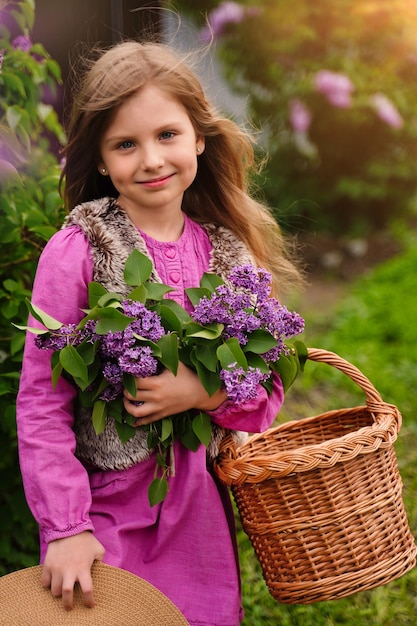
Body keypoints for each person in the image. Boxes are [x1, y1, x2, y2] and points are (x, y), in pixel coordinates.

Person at [16, 41, 302, 625]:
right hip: (107, 504)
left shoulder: (228, 255)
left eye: (167, 135)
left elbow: (267, 384)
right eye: (126, 144)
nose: (151, 159)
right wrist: (66, 528)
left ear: (199, 137)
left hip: (196, 507)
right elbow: (43, 400)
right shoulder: (80, 249)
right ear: (99, 159)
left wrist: (207, 393)